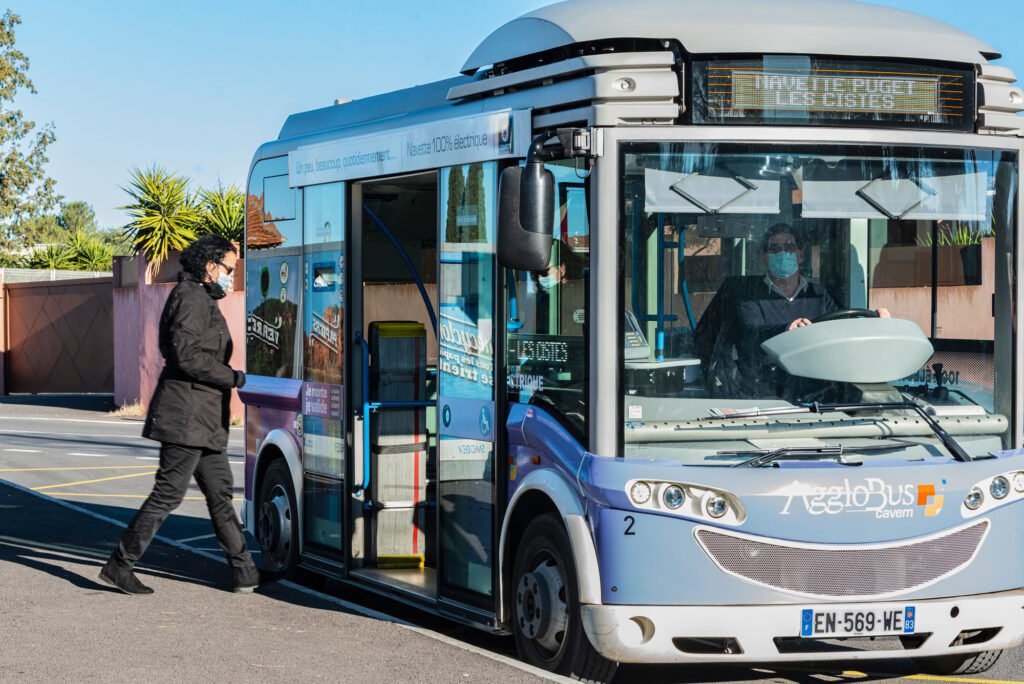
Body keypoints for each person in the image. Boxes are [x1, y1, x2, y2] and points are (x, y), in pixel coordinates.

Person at [99, 235, 259, 595]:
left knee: (219, 493)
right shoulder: (190, 298)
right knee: (168, 494)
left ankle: (245, 572)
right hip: (185, 417)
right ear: (210, 267)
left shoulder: (200, 298)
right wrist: (233, 377)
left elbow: (179, 350)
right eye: (229, 269)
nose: (231, 276)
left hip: (203, 419)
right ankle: (119, 566)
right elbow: (186, 356)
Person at [695, 223, 889, 397]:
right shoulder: (748, 295)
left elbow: (844, 328)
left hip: (815, 392)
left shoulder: (819, 295)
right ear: (764, 257)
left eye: (789, 247)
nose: (783, 253)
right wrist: (786, 330)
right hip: (764, 393)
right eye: (774, 248)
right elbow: (751, 333)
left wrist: (873, 322)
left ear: (801, 255)